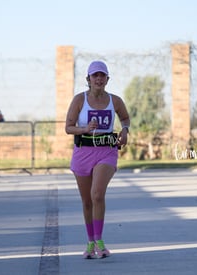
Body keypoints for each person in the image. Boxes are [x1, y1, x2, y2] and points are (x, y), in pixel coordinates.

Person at [65, 60, 130, 259]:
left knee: (97, 194)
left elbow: (125, 118)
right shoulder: (79, 100)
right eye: (95, 76)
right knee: (86, 201)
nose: (99, 79)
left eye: (102, 75)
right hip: (83, 152)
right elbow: (68, 127)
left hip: (106, 151)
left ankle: (100, 242)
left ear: (107, 79)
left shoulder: (115, 101)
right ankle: (90, 242)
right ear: (89, 79)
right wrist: (84, 128)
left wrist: (125, 130)